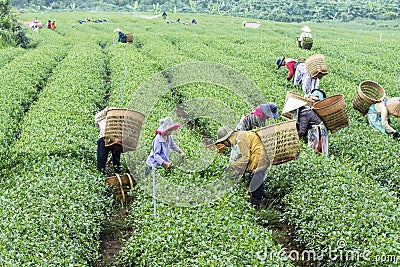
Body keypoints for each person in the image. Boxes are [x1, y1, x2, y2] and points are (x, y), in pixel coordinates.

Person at [215, 126, 269, 209]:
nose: (225, 145)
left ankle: (261, 206)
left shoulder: (240, 138)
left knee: (256, 185)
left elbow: (245, 158)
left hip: (259, 159)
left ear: (227, 139)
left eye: (224, 142)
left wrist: (232, 166)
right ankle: (260, 204)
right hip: (259, 159)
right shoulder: (240, 137)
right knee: (256, 183)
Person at [95, 107, 122, 174]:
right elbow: (96, 117)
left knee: (116, 159)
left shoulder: (117, 120)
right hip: (103, 139)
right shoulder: (102, 119)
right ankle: (101, 173)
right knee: (102, 158)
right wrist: (108, 109)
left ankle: (117, 173)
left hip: (116, 139)